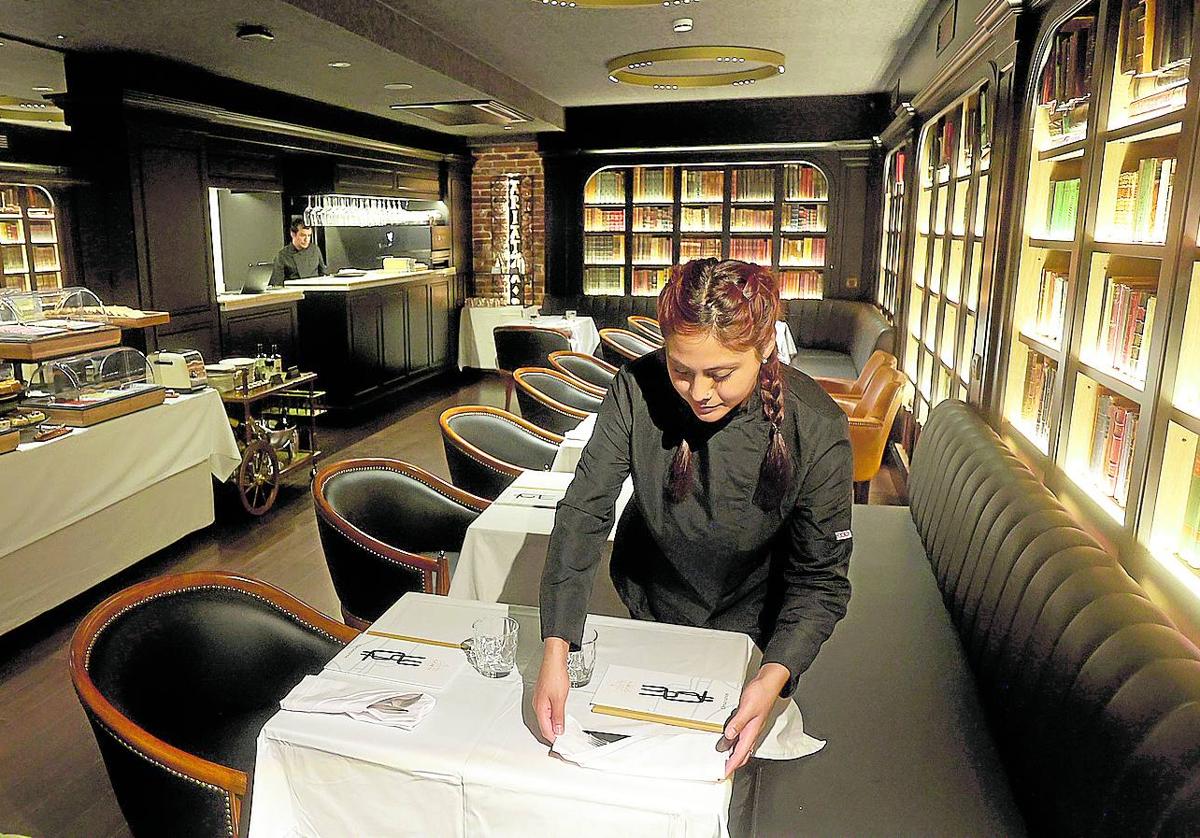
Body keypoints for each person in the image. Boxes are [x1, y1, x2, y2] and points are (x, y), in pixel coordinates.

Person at [533, 258, 853, 779]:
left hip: (758, 618)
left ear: (766, 346)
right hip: (654, 595)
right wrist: (556, 643)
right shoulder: (636, 390)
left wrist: (774, 674)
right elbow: (584, 510)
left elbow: (820, 580)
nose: (699, 392)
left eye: (721, 374)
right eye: (681, 371)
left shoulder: (815, 426)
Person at [270, 218, 326, 285]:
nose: (306, 239)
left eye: (309, 235)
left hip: (315, 290)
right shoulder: (282, 255)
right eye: (303, 235)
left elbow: (323, 275)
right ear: (293, 234)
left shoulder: (315, 250)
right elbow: (277, 283)